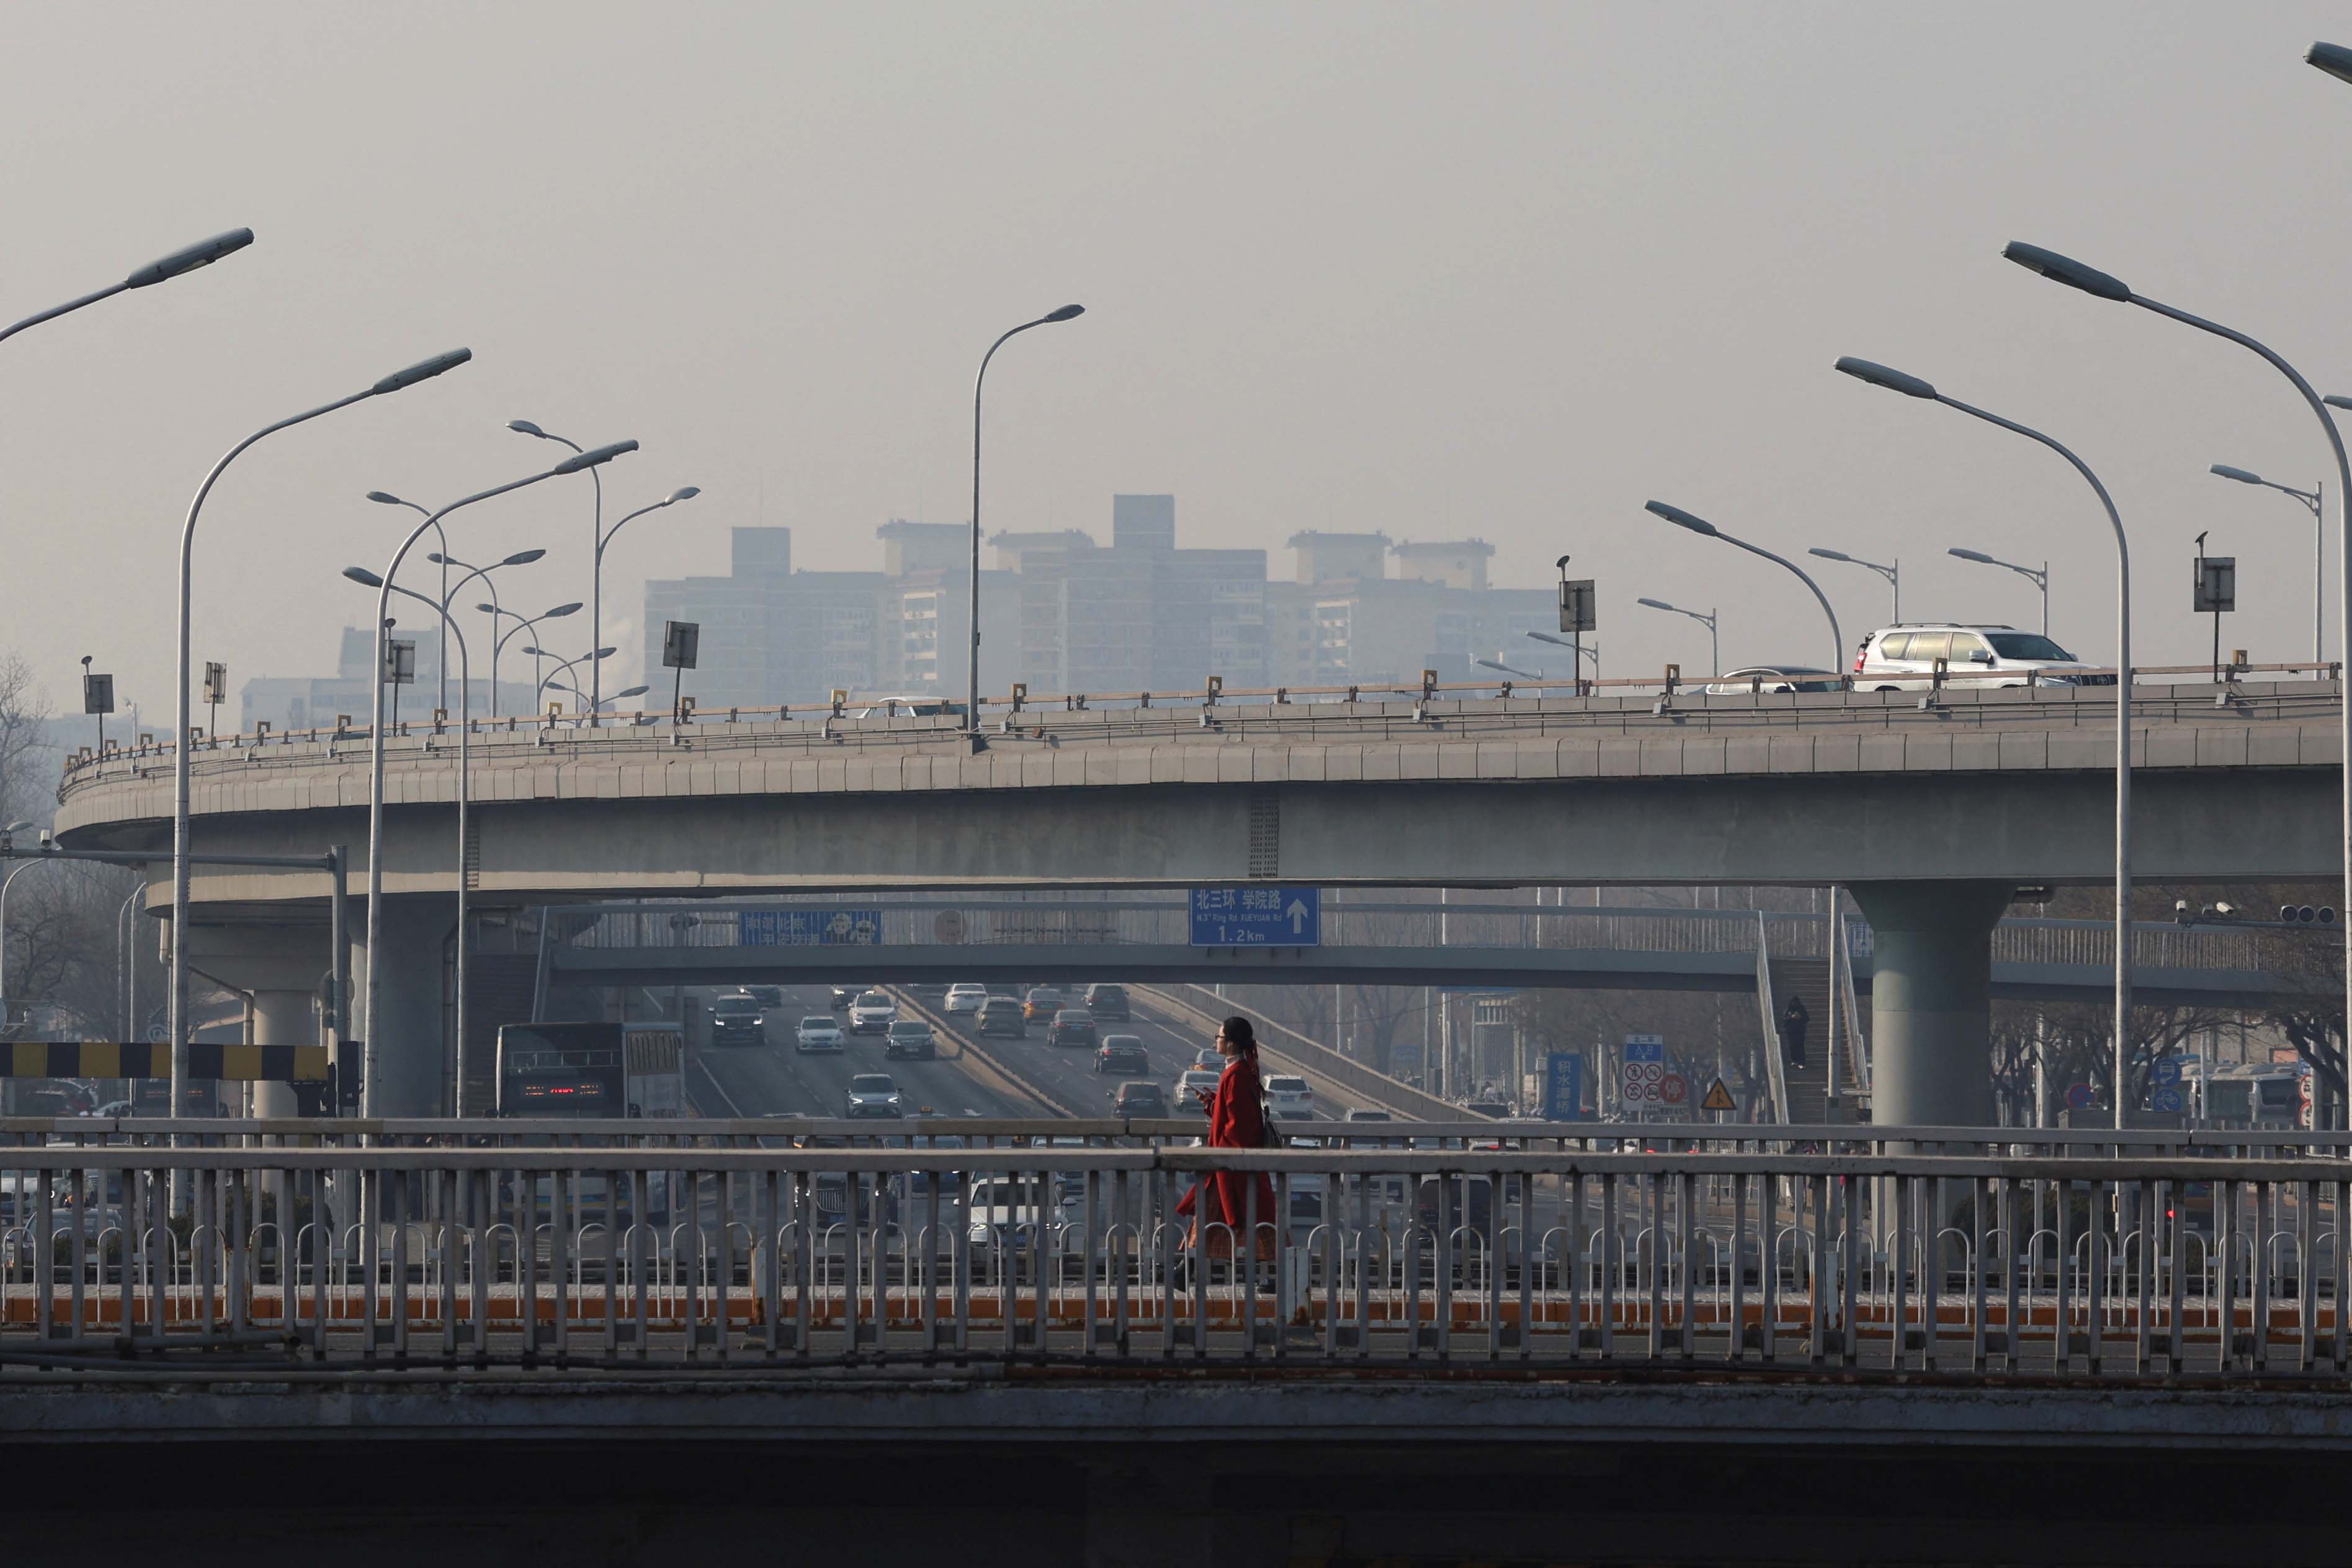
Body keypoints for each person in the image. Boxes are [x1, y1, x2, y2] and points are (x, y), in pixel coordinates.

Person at [1174, 1015, 1279, 1263]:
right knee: (1245, 1220)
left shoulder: (1236, 1075)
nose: (1216, 1042)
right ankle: (1186, 1268)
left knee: (1229, 1218)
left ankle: (1186, 1268)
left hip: (1230, 1164)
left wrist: (1221, 1150)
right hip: (1229, 1163)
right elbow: (1235, 1115)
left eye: (1219, 1037)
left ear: (1230, 1044)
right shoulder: (1239, 1072)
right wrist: (1212, 1105)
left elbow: (1239, 1125)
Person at [1779, 993, 1810, 1072]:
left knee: (1800, 1047)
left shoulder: (1801, 1009)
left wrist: (1800, 1018)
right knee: (1792, 1046)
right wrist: (1790, 1018)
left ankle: (1801, 1062)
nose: (1794, 1004)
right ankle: (1794, 1060)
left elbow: (1807, 1019)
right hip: (1791, 1032)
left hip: (1800, 1031)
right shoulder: (1788, 1010)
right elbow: (1784, 1020)